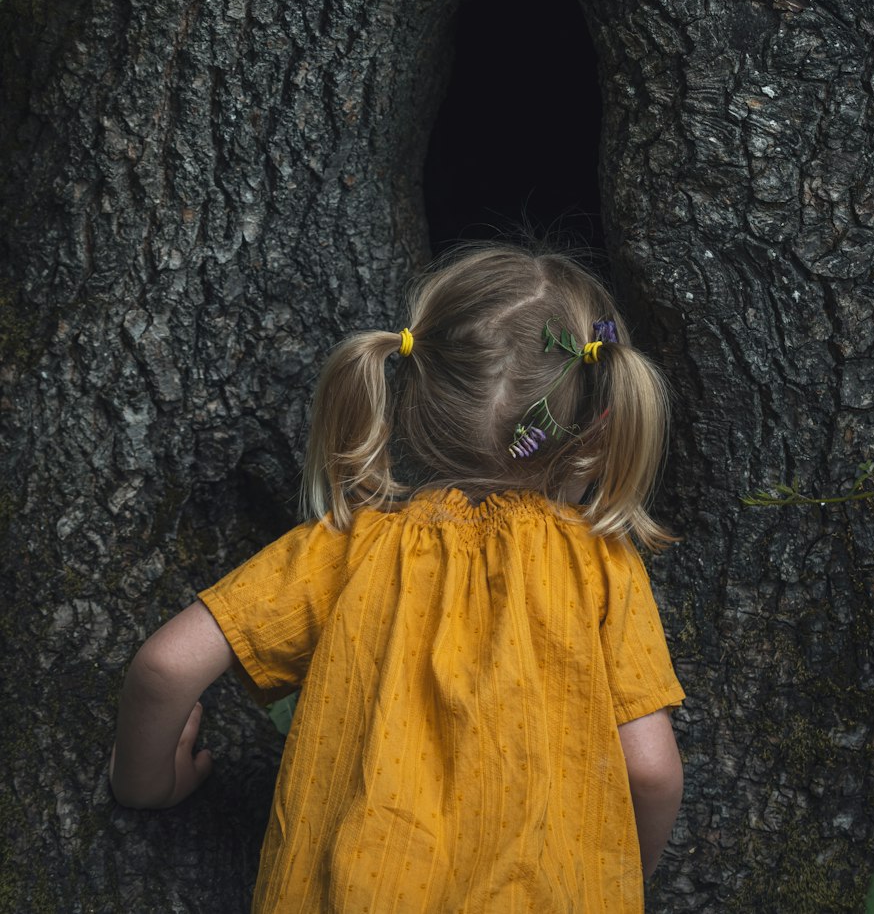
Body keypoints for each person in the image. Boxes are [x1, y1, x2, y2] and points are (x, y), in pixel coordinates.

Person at [110, 244, 685, 912]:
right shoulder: (602, 567)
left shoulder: (345, 548)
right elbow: (648, 770)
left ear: (410, 394)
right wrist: (612, 876)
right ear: (599, 427)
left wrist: (146, 783)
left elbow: (163, 668)